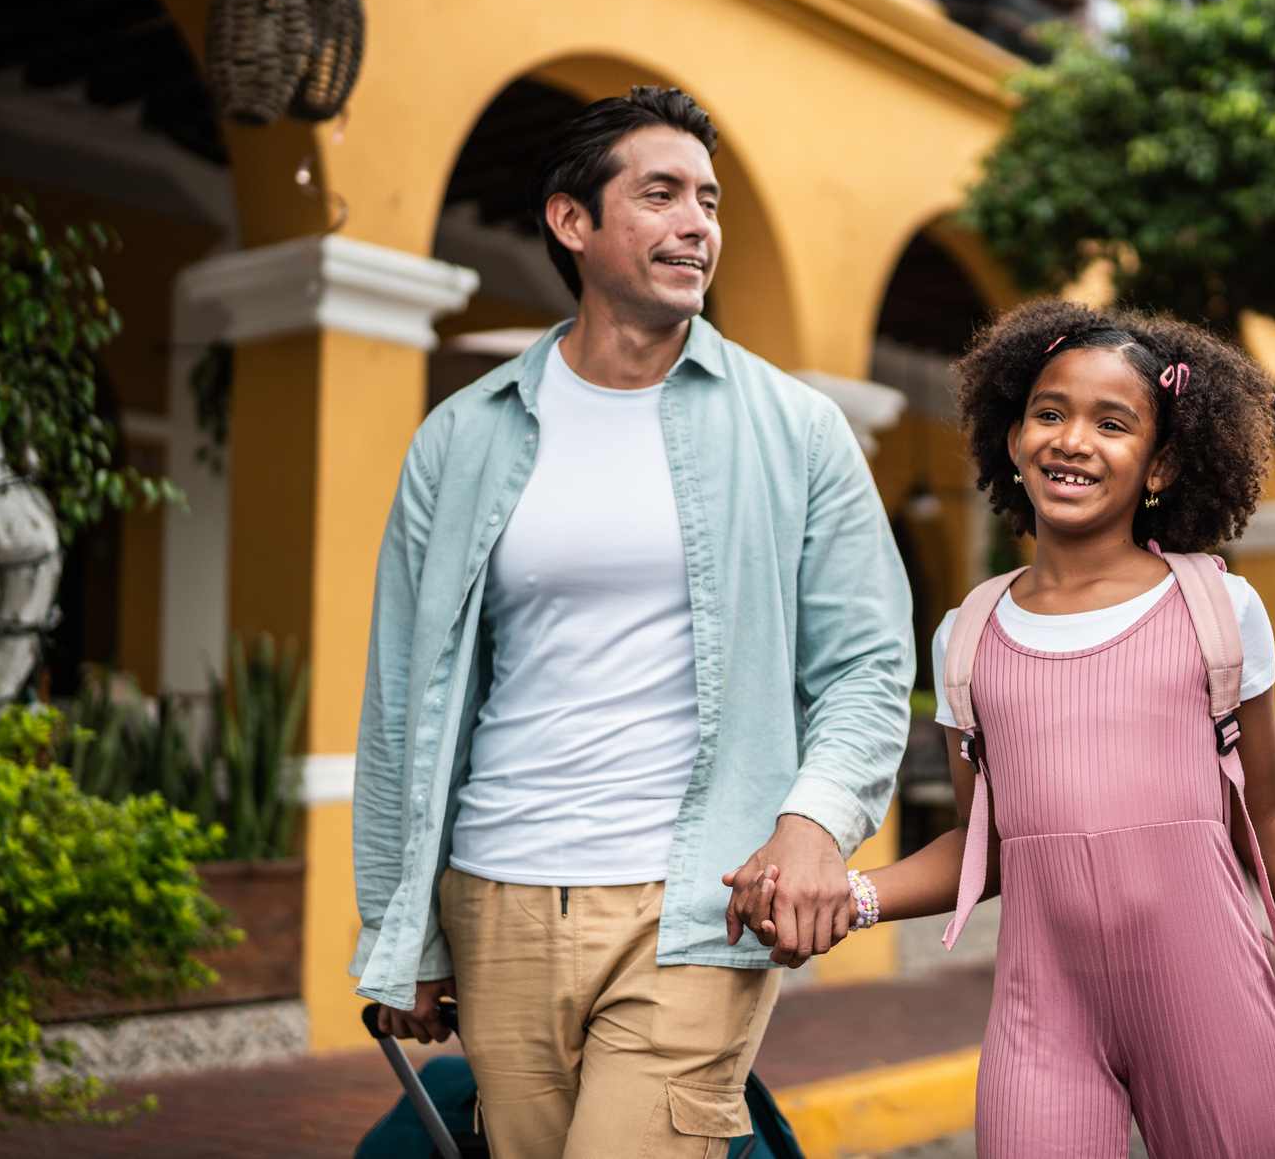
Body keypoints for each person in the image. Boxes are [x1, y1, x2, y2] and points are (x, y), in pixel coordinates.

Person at [350, 87, 914, 1158]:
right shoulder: (461, 437)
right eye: (660, 196)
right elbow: (402, 699)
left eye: (707, 200)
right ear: (573, 222)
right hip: (496, 891)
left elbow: (867, 663)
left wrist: (811, 823)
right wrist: (400, 922)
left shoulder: (795, 429)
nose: (697, 223)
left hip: (696, 902)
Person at [732, 301, 1275, 1158]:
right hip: (1043, 1027)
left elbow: (1267, 814)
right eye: (1049, 412)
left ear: (1162, 465)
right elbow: (985, 845)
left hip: (1210, 1006)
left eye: (1112, 424)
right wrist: (851, 897)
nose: (1072, 439)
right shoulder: (966, 635)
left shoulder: (1216, 608)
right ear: (1012, 438)